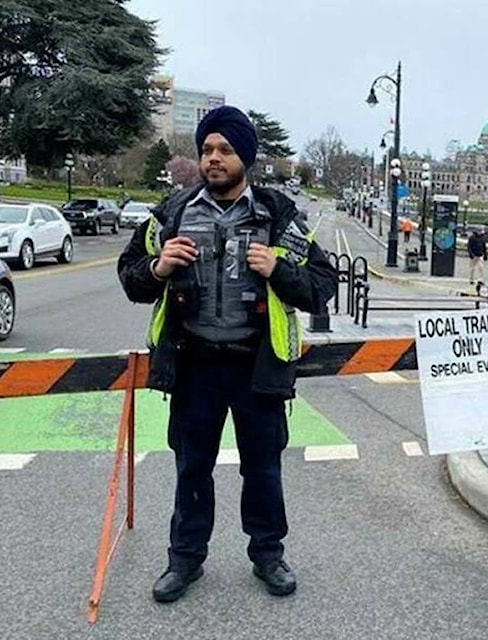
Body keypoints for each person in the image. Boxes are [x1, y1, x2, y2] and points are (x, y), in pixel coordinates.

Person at [117, 106, 338, 602]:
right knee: (191, 465)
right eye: (207, 150)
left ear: (246, 158)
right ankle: (185, 559)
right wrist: (157, 266)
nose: (213, 159)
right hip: (195, 365)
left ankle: (268, 555)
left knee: (262, 468)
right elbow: (130, 275)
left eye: (225, 150)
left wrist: (277, 268)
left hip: (256, 368)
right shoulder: (172, 213)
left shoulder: (277, 217)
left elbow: (322, 285)